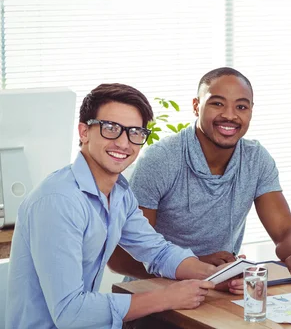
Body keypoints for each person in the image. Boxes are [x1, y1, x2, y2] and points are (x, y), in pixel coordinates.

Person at [6, 83, 242, 329]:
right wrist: (166, 297)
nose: (124, 143)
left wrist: (213, 277)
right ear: (84, 132)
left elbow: (158, 252)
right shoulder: (59, 201)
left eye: (135, 132)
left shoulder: (119, 193)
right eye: (111, 129)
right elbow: (70, 312)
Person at [108, 67, 291, 283]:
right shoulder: (162, 159)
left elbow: (286, 233)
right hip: (156, 295)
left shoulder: (255, 159)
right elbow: (119, 257)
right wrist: (193, 266)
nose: (230, 115)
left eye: (241, 106)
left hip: (217, 291)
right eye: (217, 103)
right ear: (196, 106)